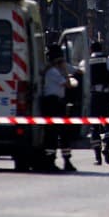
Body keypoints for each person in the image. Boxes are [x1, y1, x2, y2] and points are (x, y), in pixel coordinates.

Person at [81, 40, 109, 165]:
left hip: (93, 97)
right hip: (106, 96)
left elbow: (81, 78)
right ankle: (106, 147)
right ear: (101, 49)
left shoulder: (85, 61)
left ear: (91, 50)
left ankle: (98, 157)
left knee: (94, 127)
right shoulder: (108, 59)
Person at [42, 44, 77, 172]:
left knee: (63, 133)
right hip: (53, 104)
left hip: (56, 104)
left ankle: (66, 161)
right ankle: (50, 162)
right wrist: (65, 71)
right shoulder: (53, 72)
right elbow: (68, 84)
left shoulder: (52, 70)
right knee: (53, 133)